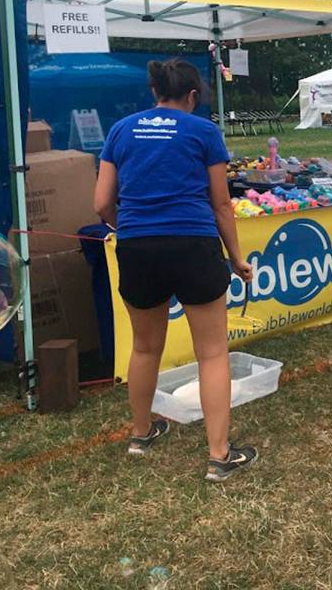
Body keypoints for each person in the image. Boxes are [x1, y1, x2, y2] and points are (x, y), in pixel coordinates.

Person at [93, 59, 258, 481]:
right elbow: (222, 204)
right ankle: (219, 456)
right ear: (192, 96)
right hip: (193, 245)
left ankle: (141, 433)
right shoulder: (203, 130)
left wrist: (125, 226)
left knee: (145, 348)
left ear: (154, 93)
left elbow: (101, 203)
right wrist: (237, 258)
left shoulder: (121, 130)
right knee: (213, 352)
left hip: (137, 247)